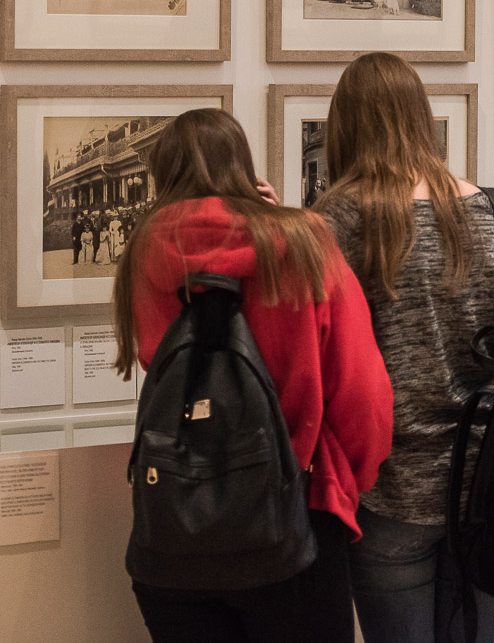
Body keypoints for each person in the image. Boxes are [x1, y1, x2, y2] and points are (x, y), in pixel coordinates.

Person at [112, 108, 393, 643]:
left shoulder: (145, 248)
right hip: (295, 518)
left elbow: (159, 363)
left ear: (162, 173)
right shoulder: (302, 239)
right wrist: (347, 484)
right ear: (243, 165)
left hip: (174, 524)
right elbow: (363, 393)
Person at [313, 52, 494, 643]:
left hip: (387, 487)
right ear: (420, 117)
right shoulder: (492, 210)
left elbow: (324, 362)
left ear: (346, 124)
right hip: (486, 485)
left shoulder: (336, 219)